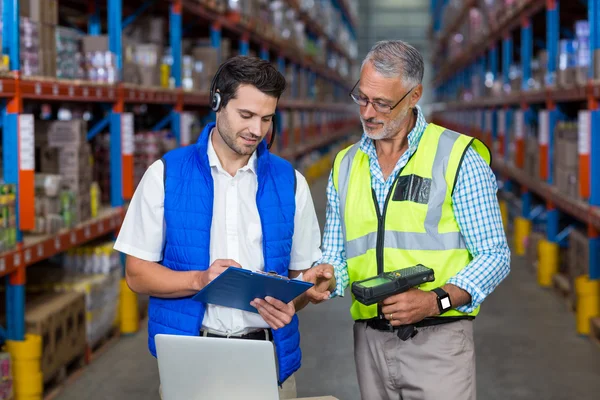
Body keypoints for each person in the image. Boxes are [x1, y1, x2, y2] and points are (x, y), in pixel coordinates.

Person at [114, 55, 331, 399]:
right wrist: (199, 280)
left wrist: (303, 293)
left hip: (268, 358)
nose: (257, 131)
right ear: (217, 102)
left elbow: (301, 279)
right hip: (191, 357)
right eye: (245, 115)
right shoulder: (166, 175)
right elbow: (137, 274)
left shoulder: (290, 183)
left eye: (266, 118)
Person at [306, 40, 511, 399]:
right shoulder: (345, 164)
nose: (368, 112)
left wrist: (436, 300)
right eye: (362, 98)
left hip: (439, 342)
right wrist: (325, 276)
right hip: (369, 340)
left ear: (414, 95)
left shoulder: (457, 157)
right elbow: (337, 254)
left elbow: (495, 255)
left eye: (382, 103)